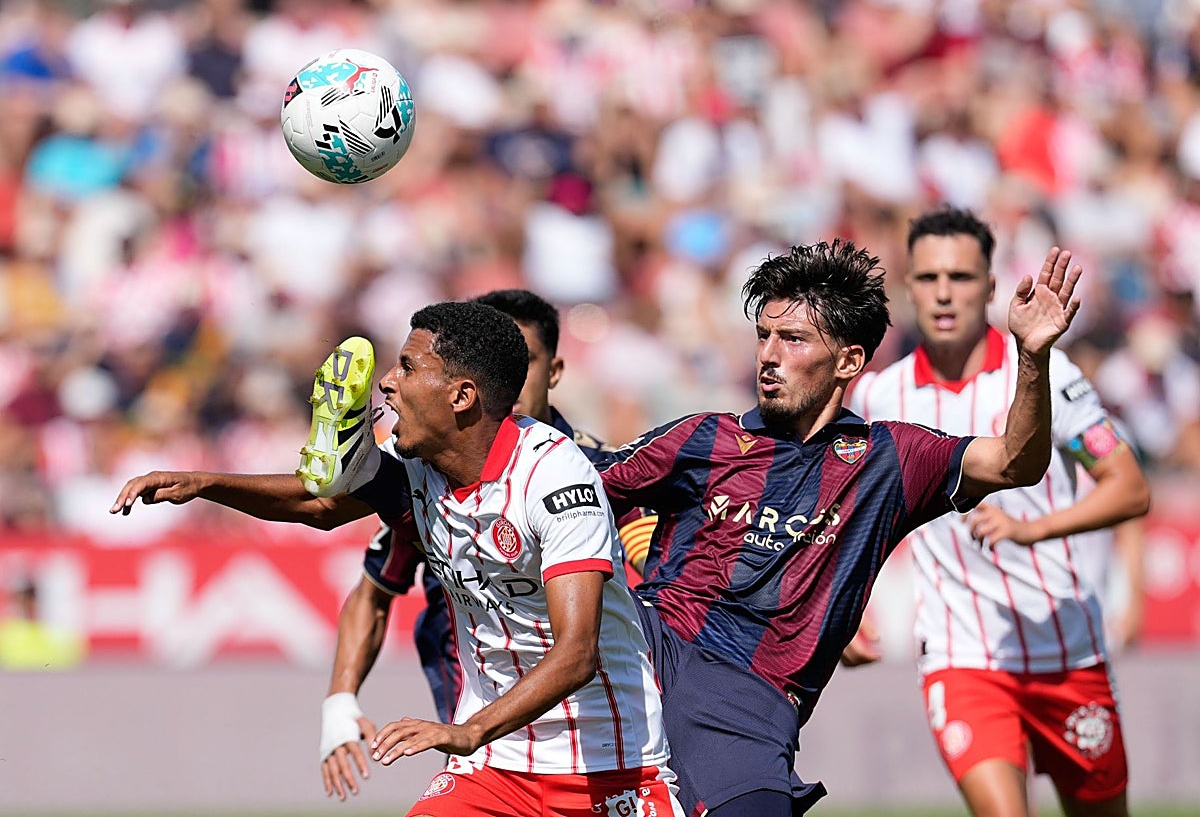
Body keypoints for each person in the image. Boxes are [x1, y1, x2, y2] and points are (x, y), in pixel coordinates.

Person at [111, 301, 683, 817]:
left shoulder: (554, 477)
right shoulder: (418, 467)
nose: (386, 383)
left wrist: (467, 731)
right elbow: (320, 501)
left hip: (606, 765)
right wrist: (203, 481)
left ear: (461, 396)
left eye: (407, 369)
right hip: (496, 766)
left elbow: (578, 652)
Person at [591, 237, 1084, 817]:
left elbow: (1014, 463)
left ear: (848, 361)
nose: (768, 355)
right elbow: (570, 492)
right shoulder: (705, 438)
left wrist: (1032, 356)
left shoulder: (890, 460)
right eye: (764, 336)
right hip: (648, 651)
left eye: (793, 338)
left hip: (750, 705)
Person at [844, 207, 1150, 817]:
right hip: (963, 656)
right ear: (908, 289)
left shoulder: (1046, 372)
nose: (943, 293)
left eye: (960, 277)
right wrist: (844, 610)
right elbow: (845, 513)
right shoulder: (879, 396)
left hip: (1065, 646)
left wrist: (1032, 528)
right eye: (928, 278)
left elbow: (1129, 488)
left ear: (989, 285)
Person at [313, 288, 657, 802]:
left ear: (552, 371)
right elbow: (371, 586)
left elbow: (658, 588)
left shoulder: (594, 473)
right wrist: (339, 702)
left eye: (526, 357)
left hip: (595, 741)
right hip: (481, 726)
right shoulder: (429, 462)